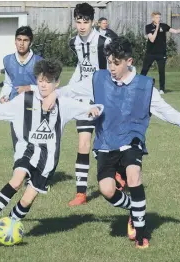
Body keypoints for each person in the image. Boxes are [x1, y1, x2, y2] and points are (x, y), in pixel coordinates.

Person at [44, 36, 180, 248]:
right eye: (109, 61)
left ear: (129, 62)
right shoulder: (98, 80)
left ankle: (141, 233)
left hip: (132, 140)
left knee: (133, 175)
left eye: (116, 63)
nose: (111, 67)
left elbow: (170, 114)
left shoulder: (145, 87)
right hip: (105, 143)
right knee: (107, 190)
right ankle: (135, 208)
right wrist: (54, 94)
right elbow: (72, 89)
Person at [0, 59, 103, 238]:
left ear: (57, 83)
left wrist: (93, 110)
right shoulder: (25, 100)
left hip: (48, 159)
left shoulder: (64, 103)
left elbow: (94, 108)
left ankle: (10, 224)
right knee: (17, 180)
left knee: (27, 198)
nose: (43, 85)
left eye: (48, 81)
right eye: (40, 81)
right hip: (27, 149)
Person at [67, 2, 111, 206]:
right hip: (84, 100)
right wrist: (71, 88)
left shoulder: (105, 42)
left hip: (104, 99)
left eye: (85, 21)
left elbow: (117, 66)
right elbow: (80, 65)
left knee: (108, 145)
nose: (82, 25)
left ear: (92, 22)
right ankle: (81, 193)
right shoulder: (73, 42)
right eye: (78, 21)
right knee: (83, 143)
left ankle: (118, 177)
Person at [0, 26, 43, 150]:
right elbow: (8, 83)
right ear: (15, 41)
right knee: (17, 143)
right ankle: (19, 168)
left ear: (30, 42)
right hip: (15, 105)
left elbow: (45, 87)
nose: (21, 43)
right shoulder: (7, 60)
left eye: (25, 40)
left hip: (34, 106)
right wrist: (3, 96)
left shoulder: (39, 62)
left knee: (34, 144)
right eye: (19, 39)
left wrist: (29, 87)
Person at [141, 11, 180, 94]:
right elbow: (152, 39)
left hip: (161, 53)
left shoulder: (164, 26)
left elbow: (175, 31)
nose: (158, 19)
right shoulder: (148, 27)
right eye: (157, 17)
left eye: (159, 17)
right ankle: (139, 86)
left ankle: (162, 89)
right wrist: (156, 28)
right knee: (144, 70)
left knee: (161, 71)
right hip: (150, 53)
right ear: (153, 18)